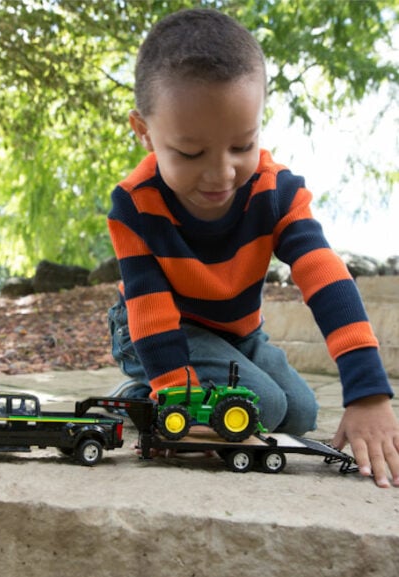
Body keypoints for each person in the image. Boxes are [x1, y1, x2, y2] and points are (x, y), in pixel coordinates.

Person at [106, 8, 399, 487]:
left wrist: (367, 395)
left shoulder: (277, 192)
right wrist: (179, 402)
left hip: (236, 332)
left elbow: (325, 280)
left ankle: (174, 391)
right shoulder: (135, 206)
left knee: (299, 413)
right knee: (265, 405)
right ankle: (144, 397)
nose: (221, 174)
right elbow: (153, 316)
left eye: (242, 145)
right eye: (190, 153)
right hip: (156, 330)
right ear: (144, 131)